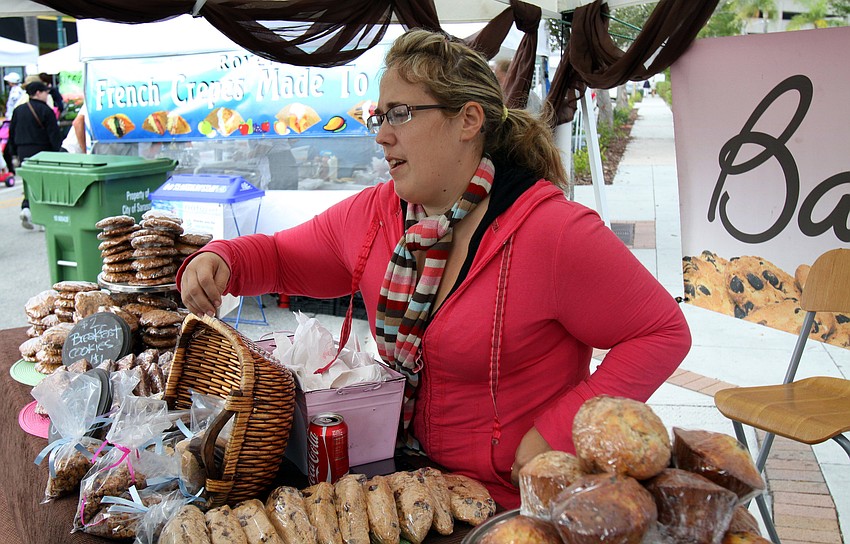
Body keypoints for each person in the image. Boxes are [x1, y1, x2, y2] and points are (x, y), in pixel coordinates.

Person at [178, 29, 690, 508]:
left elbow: (662, 332)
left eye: (399, 114)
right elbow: (280, 257)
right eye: (377, 116)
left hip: (516, 502)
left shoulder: (553, 233)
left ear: (468, 121)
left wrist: (557, 431)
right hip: (410, 484)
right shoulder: (377, 215)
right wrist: (221, 258)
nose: (381, 137)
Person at [8, 81, 62, 229]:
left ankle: (26, 208)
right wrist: (60, 153)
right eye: (45, 92)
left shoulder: (18, 110)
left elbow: (11, 133)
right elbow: (54, 135)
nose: (47, 95)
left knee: (28, 183)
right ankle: (42, 218)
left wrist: (13, 153)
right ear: (38, 93)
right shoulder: (46, 110)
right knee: (45, 184)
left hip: (22, 151)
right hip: (43, 152)